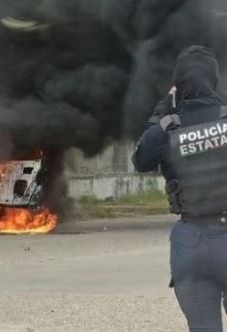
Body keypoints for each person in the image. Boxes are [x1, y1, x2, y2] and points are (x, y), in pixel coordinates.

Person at [133, 45, 227, 332]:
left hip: (191, 244)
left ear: (178, 84)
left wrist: (163, 111)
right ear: (214, 80)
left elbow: (141, 160)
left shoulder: (166, 128)